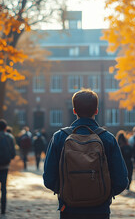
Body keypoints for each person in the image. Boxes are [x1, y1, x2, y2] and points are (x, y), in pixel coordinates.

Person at [43, 89, 128, 219]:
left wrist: (65, 191)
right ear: (96, 110)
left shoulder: (59, 137)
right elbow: (121, 181)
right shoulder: (108, 138)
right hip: (100, 210)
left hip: (69, 209)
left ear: (74, 110)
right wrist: (104, 194)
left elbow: (49, 179)